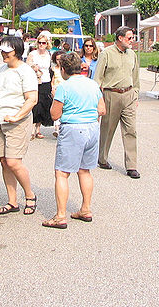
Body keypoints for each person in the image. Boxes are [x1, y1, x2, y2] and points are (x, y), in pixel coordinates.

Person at [43, 53, 106, 229]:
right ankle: (85, 209)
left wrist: (55, 97)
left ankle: (60, 215)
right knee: (85, 170)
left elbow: (55, 115)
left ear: (63, 69)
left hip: (73, 128)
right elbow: (102, 109)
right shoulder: (92, 84)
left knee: (62, 173)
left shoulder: (64, 87)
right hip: (92, 128)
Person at [0, 36, 38, 216]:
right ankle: (12, 201)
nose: (3, 54)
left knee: (14, 162)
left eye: (6, 52)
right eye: (2, 51)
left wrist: (17, 116)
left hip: (17, 122)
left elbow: (32, 99)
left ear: (16, 51)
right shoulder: (1, 69)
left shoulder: (26, 72)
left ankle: (30, 196)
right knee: (3, 161)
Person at [94, 26, 141, 179]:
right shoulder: (106, 54)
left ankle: (131, 166)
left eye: (132, 37)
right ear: (120, 38)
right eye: (129, 37)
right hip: (110, 95)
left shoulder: (132, 54)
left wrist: (135, 94)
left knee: (131, 130)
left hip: (128, 95)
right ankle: (102, 158)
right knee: (107, 129)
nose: (132, 40)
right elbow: (98, 78)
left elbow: (136, 77)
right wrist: (98, 100)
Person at [26, 33, 54, 139]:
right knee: (35, 104)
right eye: (40, 42)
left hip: (46, 81)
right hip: (35, 81)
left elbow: (52, 67)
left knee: (43, 105)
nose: (41, 45)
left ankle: (38, 129)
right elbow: (27, 65)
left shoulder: (49, 54)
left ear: (47, 44)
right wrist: (33, 67)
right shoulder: (33, 54)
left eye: (43, 43)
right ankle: (32, 129)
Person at [50, 50, 66, 138]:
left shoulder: (66, 69)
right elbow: (52, 81)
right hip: (57, 90)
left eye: (60, 59)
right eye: (57, 59)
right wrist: (52, 89)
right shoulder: (54, 69)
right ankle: (56, 128)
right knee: (57, 109)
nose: (59, 61)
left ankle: (61, 127)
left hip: (65, 90)